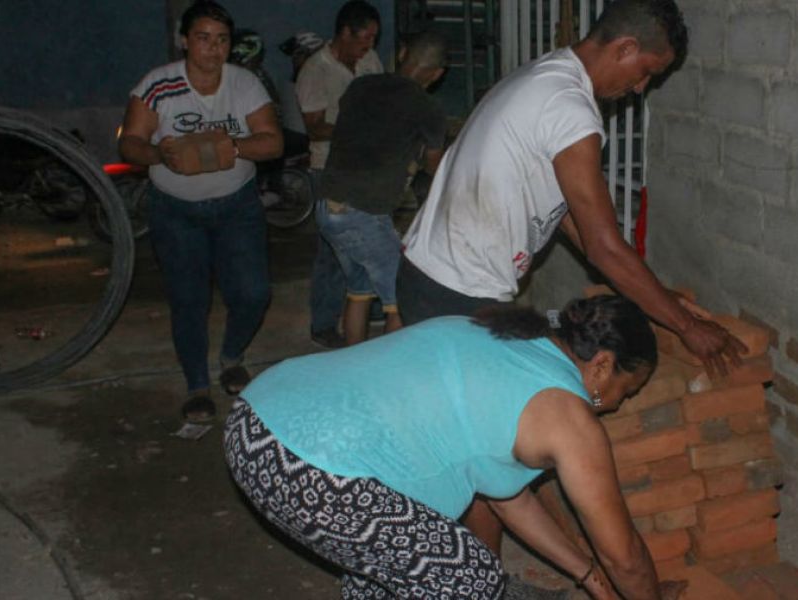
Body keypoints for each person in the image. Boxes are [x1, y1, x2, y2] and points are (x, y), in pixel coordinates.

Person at [398, 0, 745, 550]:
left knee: (471, 448)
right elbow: (605, 246)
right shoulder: (570, 109)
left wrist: (653, 292)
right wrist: (685, 325)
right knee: (486, 455)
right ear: (625, 49)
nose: (638, 90)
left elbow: (575, 223)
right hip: (456, 290)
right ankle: (481, 581)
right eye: (645, 73)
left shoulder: (546, 76)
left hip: (430, 273)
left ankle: (472, 574)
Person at [225, 295, 685, 599]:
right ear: (602, 365)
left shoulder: (498, 336)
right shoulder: (569, 416)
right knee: (469, 577)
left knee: (404, 565)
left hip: (256, 421)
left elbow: (510, 501)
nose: (618, 404)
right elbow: (624, 555)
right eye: (627, 389)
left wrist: (590, 580)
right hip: (307, 466)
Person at [118, 0, 283, 423]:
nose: (213, 49)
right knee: (189, 301)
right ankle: (196, 384)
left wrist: (231, 147)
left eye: (222, 40)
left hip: (237, 207)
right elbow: (130, 144)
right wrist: (158, 154)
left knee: (252, 292)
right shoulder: (158, 85)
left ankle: (231, 354)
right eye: (203, 38)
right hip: (176, 212)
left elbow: (273, 142)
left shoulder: (244, 84)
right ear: (185, 41)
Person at [317, 31, 448, 345]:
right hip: (364, 213)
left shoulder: (360, 86)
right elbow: (435, 164)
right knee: (400, 300)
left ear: (402, 53)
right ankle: (388, 377)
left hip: (327, 204)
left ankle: (354, 363)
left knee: (359, 290)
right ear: (438, 73)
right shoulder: (426, 107)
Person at [297, 1, 385, 348]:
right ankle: (322, 322)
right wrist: (355, 130)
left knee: (373, 241)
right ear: (344, 33)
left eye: (374, 38)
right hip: (330, 169)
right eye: (365, 38)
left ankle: (371, 305)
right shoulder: (315, 70)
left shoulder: (369, 62)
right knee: (332, 252)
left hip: (368, 167)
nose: (369, 45)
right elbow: (314, 127)